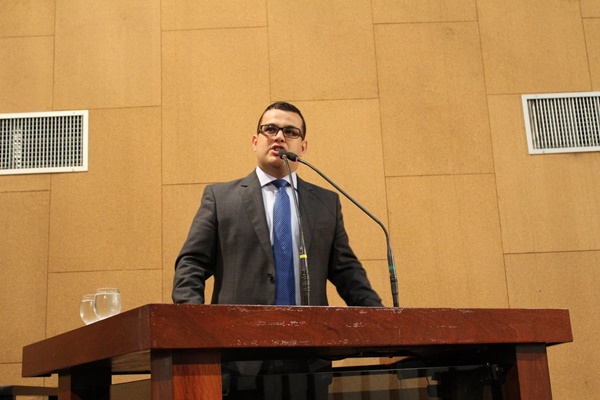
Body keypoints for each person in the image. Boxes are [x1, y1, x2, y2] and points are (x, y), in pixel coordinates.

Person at [172, 101, 383, 399]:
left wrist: (383, 321)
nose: (279, 137)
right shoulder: (221, 198)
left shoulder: (326, 202)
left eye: (290, 132)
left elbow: (347, 273)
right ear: (255, 141)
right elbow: (191, 264)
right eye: (270, 129)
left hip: (308, 358)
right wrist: (196, 325)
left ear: (303, 147)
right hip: (240, 358)